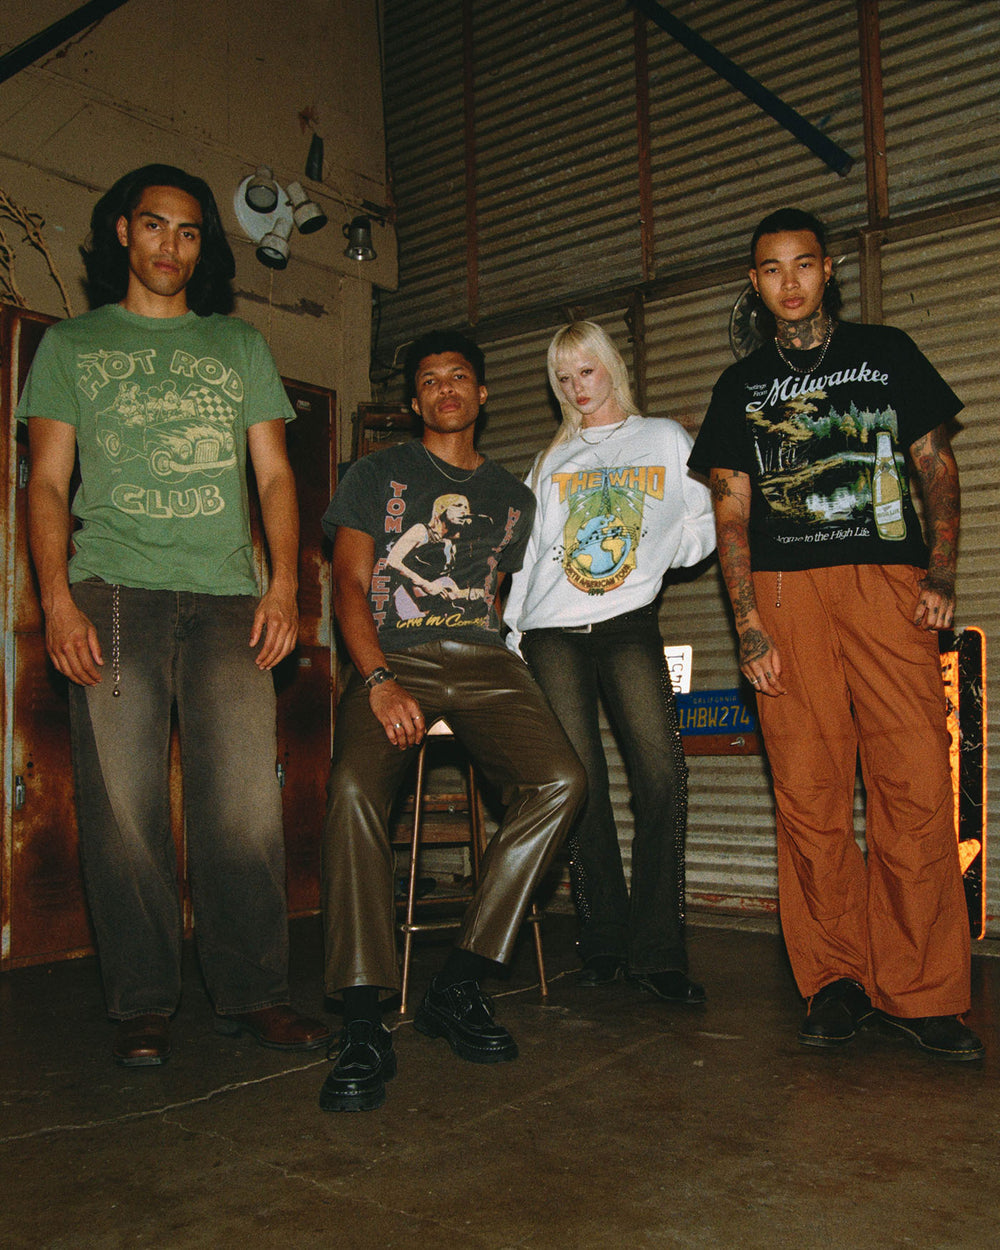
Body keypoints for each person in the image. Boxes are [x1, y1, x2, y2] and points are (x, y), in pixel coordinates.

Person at [17, 164, 331, 1066]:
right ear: (123, 231)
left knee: (244, 808)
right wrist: (56, 602)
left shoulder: (238, 345)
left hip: (230, 599)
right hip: (114, 594)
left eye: (190, 232)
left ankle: (254, 992)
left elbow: (275, 477)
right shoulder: (72, 346)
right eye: (154, 225)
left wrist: (283, 587)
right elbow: (47, 483)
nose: (171, 246)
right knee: (124, 808)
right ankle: (143, 1003)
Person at [689, 207, 982, 1060]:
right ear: (755, 282)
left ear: (829, 270)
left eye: (803, 264)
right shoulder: (740, 386)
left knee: (916, 782)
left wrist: (941, 572)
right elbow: (731, 511)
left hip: (887, 584)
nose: (789, 282)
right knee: (809, 792)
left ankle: (922, 993)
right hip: (785, 597)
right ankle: (836, 981)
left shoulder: (887, 353)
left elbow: (936, 465)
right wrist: (747, 624)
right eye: (771, 268)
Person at [319, 329, 586, 1112]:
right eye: (430, 379)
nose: (445, 389)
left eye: (458, 376)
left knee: (561, 780)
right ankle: (362, 1020)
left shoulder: (513, 498)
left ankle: (458, 984)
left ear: (482, 393)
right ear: (414, 401)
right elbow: (349, 582)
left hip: (483, 659)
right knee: (354, 791)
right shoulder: (376, 475)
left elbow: (492, 593)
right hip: (394, 656)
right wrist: (376, 679)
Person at [503, 321, 715, 1003]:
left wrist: (658, 558)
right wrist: (511, 636)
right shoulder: (551, 460)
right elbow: (526, 558)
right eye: (562, 378)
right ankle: (602, 940)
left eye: (585, 371)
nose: (576, 388)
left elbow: (704, 521)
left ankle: (658, 952)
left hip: (627, 622)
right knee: (581, 785)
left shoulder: (664, 438)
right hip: (550, 631)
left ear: (611, 367)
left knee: (662, 774)